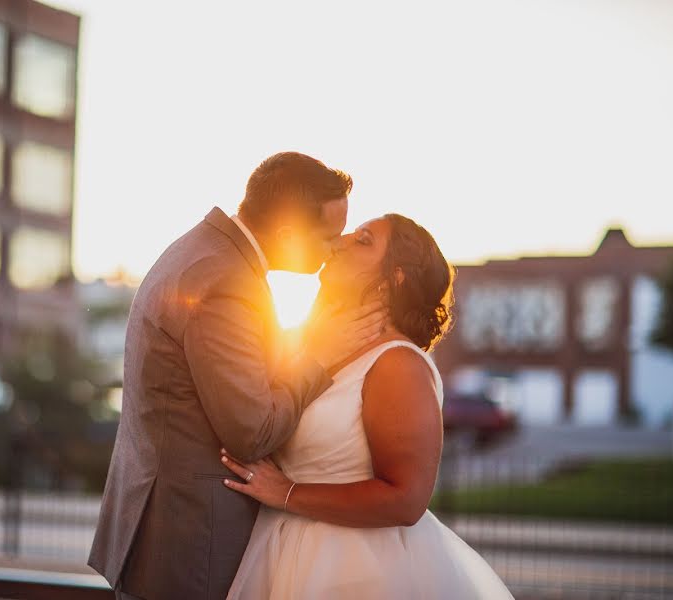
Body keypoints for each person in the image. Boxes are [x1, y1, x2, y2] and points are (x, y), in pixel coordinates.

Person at [88, 152, 386, 600]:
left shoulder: (202, 248)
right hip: (193, 544)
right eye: (328, 237)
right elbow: (252, 431)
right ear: (288, 234)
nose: (335, 248)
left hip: (165, 531)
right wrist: (319, 360)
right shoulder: (228, 283)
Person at [221, 213, 515, 599]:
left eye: (362, 240)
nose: (339, 241)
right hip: (281, 553)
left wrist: (289, 493)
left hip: (358, 569)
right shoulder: (311, 347)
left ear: (395, 277)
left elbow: (407, 499)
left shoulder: (397, 363)